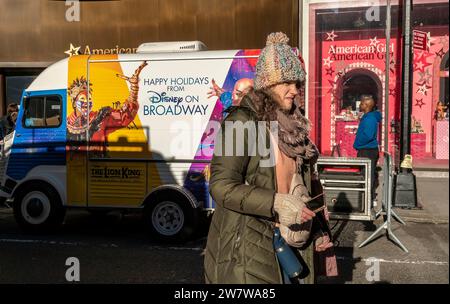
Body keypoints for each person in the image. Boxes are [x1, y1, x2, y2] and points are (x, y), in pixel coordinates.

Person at [204, 32, 337, 284]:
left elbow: (297, 185)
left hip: (290, 248)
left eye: (297, 83)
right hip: (247, 252)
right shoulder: (241, 122)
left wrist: (317, 227)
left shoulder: (292, 128)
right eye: (287, 82)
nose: (295, 90)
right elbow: (221, 186)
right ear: (268, 83)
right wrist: (276, 202)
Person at [353, 94, 382, 206]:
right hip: (367, 149)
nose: (359, 105)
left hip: (367, 150)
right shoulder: (368, 117)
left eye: (361, 103)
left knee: (367, 175)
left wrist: (357, 143)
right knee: (366, 175)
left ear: (366, 105)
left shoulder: (369, 118)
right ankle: (367, 198)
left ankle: (368, 200)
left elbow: (369, 135)